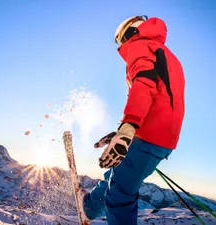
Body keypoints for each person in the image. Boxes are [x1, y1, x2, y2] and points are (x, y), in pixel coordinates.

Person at [78, 15, 185, 225]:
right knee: (116, 175)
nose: (122, 47)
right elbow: (162, 97)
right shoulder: (166, 54)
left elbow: (144, 85)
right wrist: (124, 131)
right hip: (162, 136)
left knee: (120, 195)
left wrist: (128, 129)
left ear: (128, 34)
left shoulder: (140, 46)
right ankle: (89, 207)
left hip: (150, 136)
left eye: (120, 41)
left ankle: (91, 208)